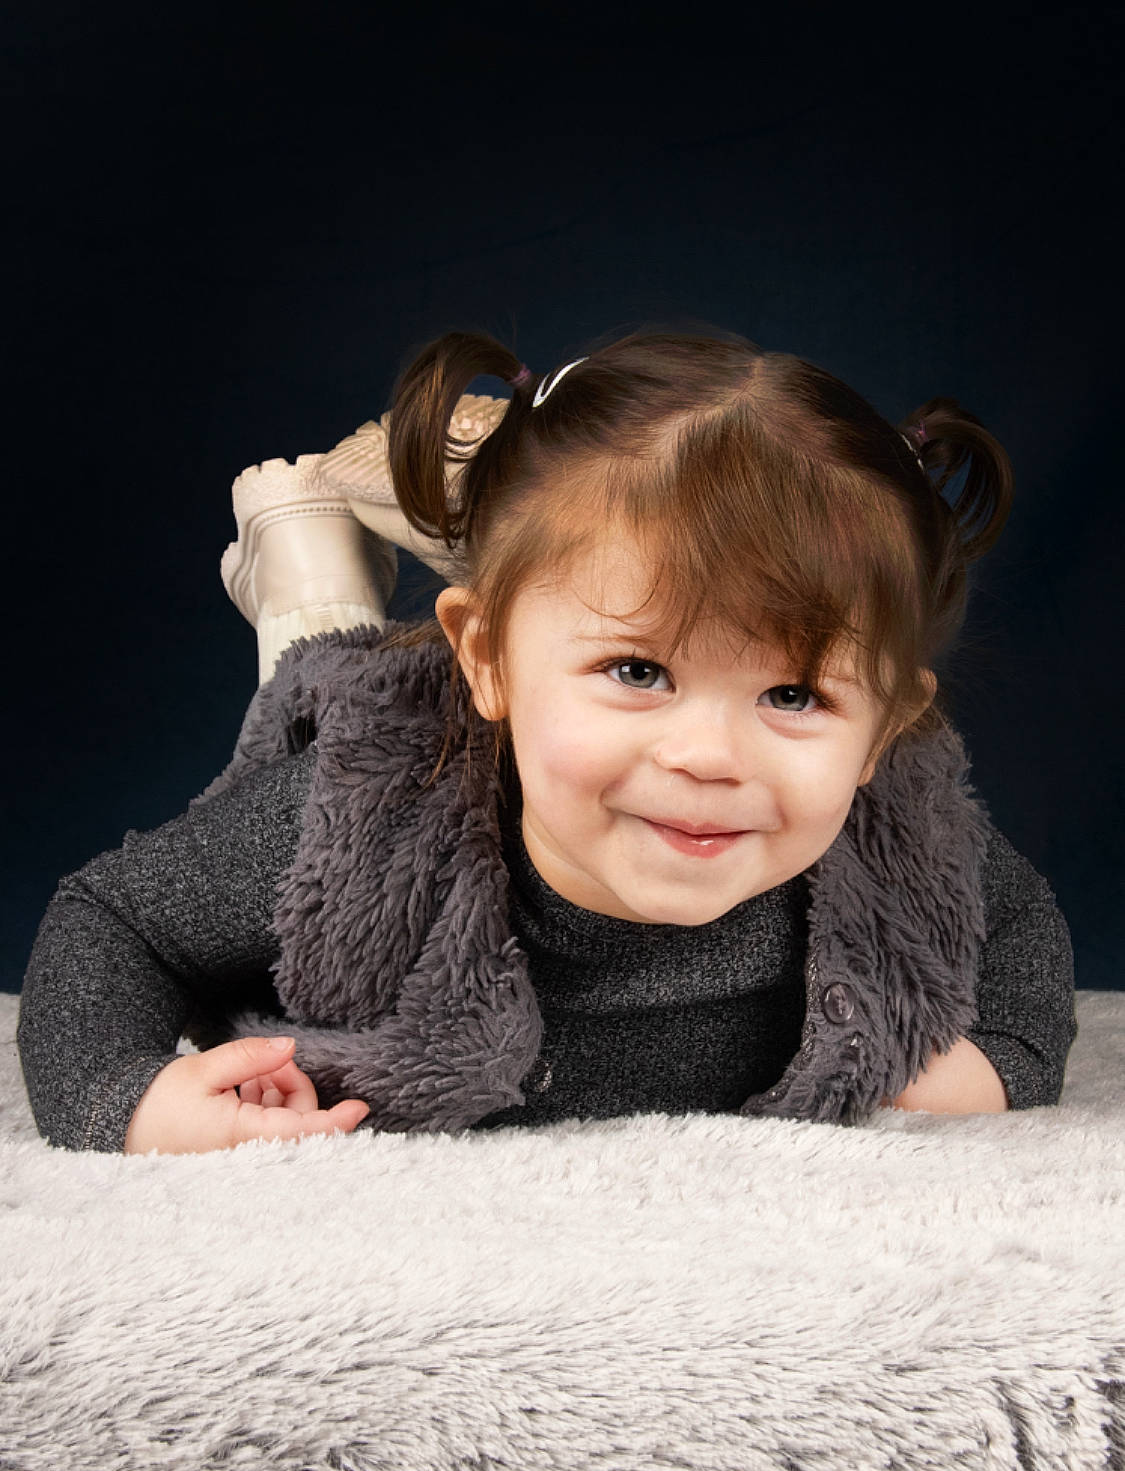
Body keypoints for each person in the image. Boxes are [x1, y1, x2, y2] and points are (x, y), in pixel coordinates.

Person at [17, 325, 1076, 1154]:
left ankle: (487, 542)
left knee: (565, 603)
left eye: (795, 694)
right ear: (485, 660)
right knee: (326, 658)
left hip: (520, 660)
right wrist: (129, 1099)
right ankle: (308, 560)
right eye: (638, 671)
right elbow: (111, 920)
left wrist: (1005, 1060)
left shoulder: (899, 826)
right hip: (392, 742)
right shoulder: (346, 815)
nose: (712, 756)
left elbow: (1022, 926)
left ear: (887, 723)